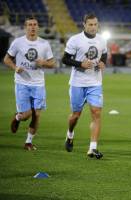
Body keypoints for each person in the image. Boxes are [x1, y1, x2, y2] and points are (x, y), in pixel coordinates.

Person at [4, 17, 55, 150]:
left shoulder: (44, 44)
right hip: (22, 83)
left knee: (37, 114)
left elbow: (52, 63)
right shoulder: (18, 42)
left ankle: (28, 142)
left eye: (35, 25)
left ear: (38, 27)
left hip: (38, 84)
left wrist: (43, 63)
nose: (32, 27)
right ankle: (17, 118)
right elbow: (6, 59)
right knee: (26, 115)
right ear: (25, 27)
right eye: (30, 25)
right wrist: (15, 68)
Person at [62, 13, 107, 159]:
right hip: (77, 83)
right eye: (90, 24)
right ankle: (70, 134)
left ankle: (92, 148)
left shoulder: (101, 40)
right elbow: (65, 59)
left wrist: (103, 63)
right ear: (84, 25)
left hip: (95, 82)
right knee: (76, 115)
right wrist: (80, 64)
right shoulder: (75, 40)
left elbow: (104, 54)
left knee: (96, 113)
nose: (93, 27)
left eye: (95, 24)